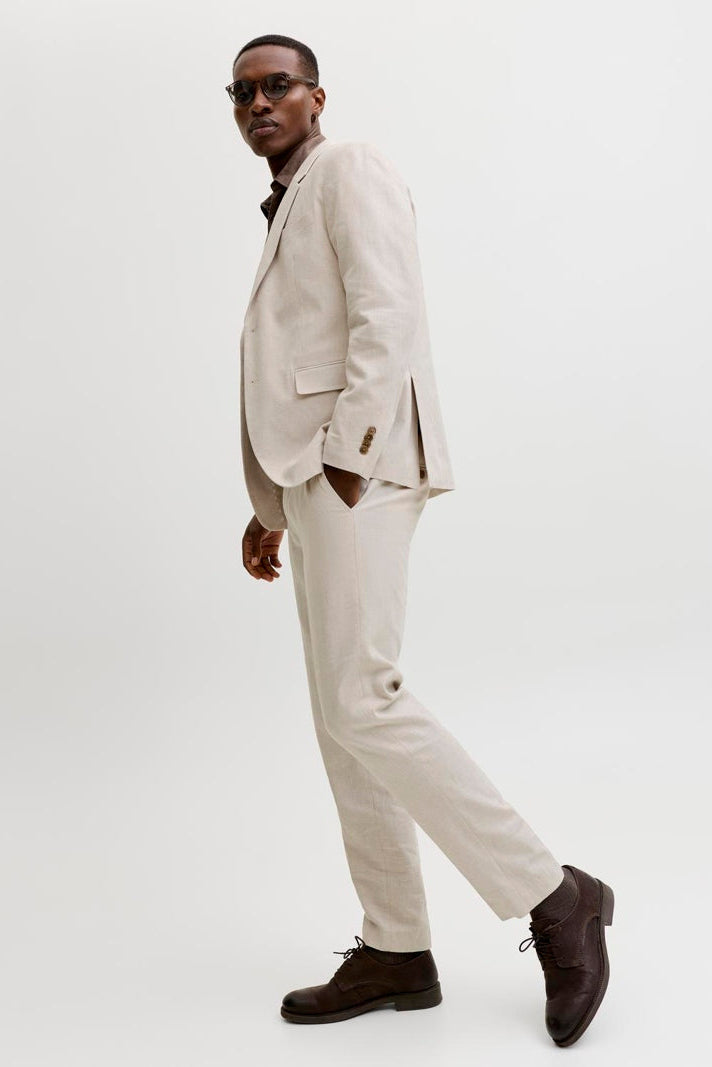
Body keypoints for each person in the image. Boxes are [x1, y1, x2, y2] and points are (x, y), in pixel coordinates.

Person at [228, 33, 614, 1046]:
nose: (258, 102)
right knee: (341, 716)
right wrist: (274, 502)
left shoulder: (351, 167)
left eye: (277, 85)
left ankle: (554, 892)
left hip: (358, 467)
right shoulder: (289, 197)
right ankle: (396, 943)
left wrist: (345, 462)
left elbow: (386, 314)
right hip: (316, 476)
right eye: (242, 91)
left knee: (365, 695)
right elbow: (304, 349)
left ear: (317, 97)